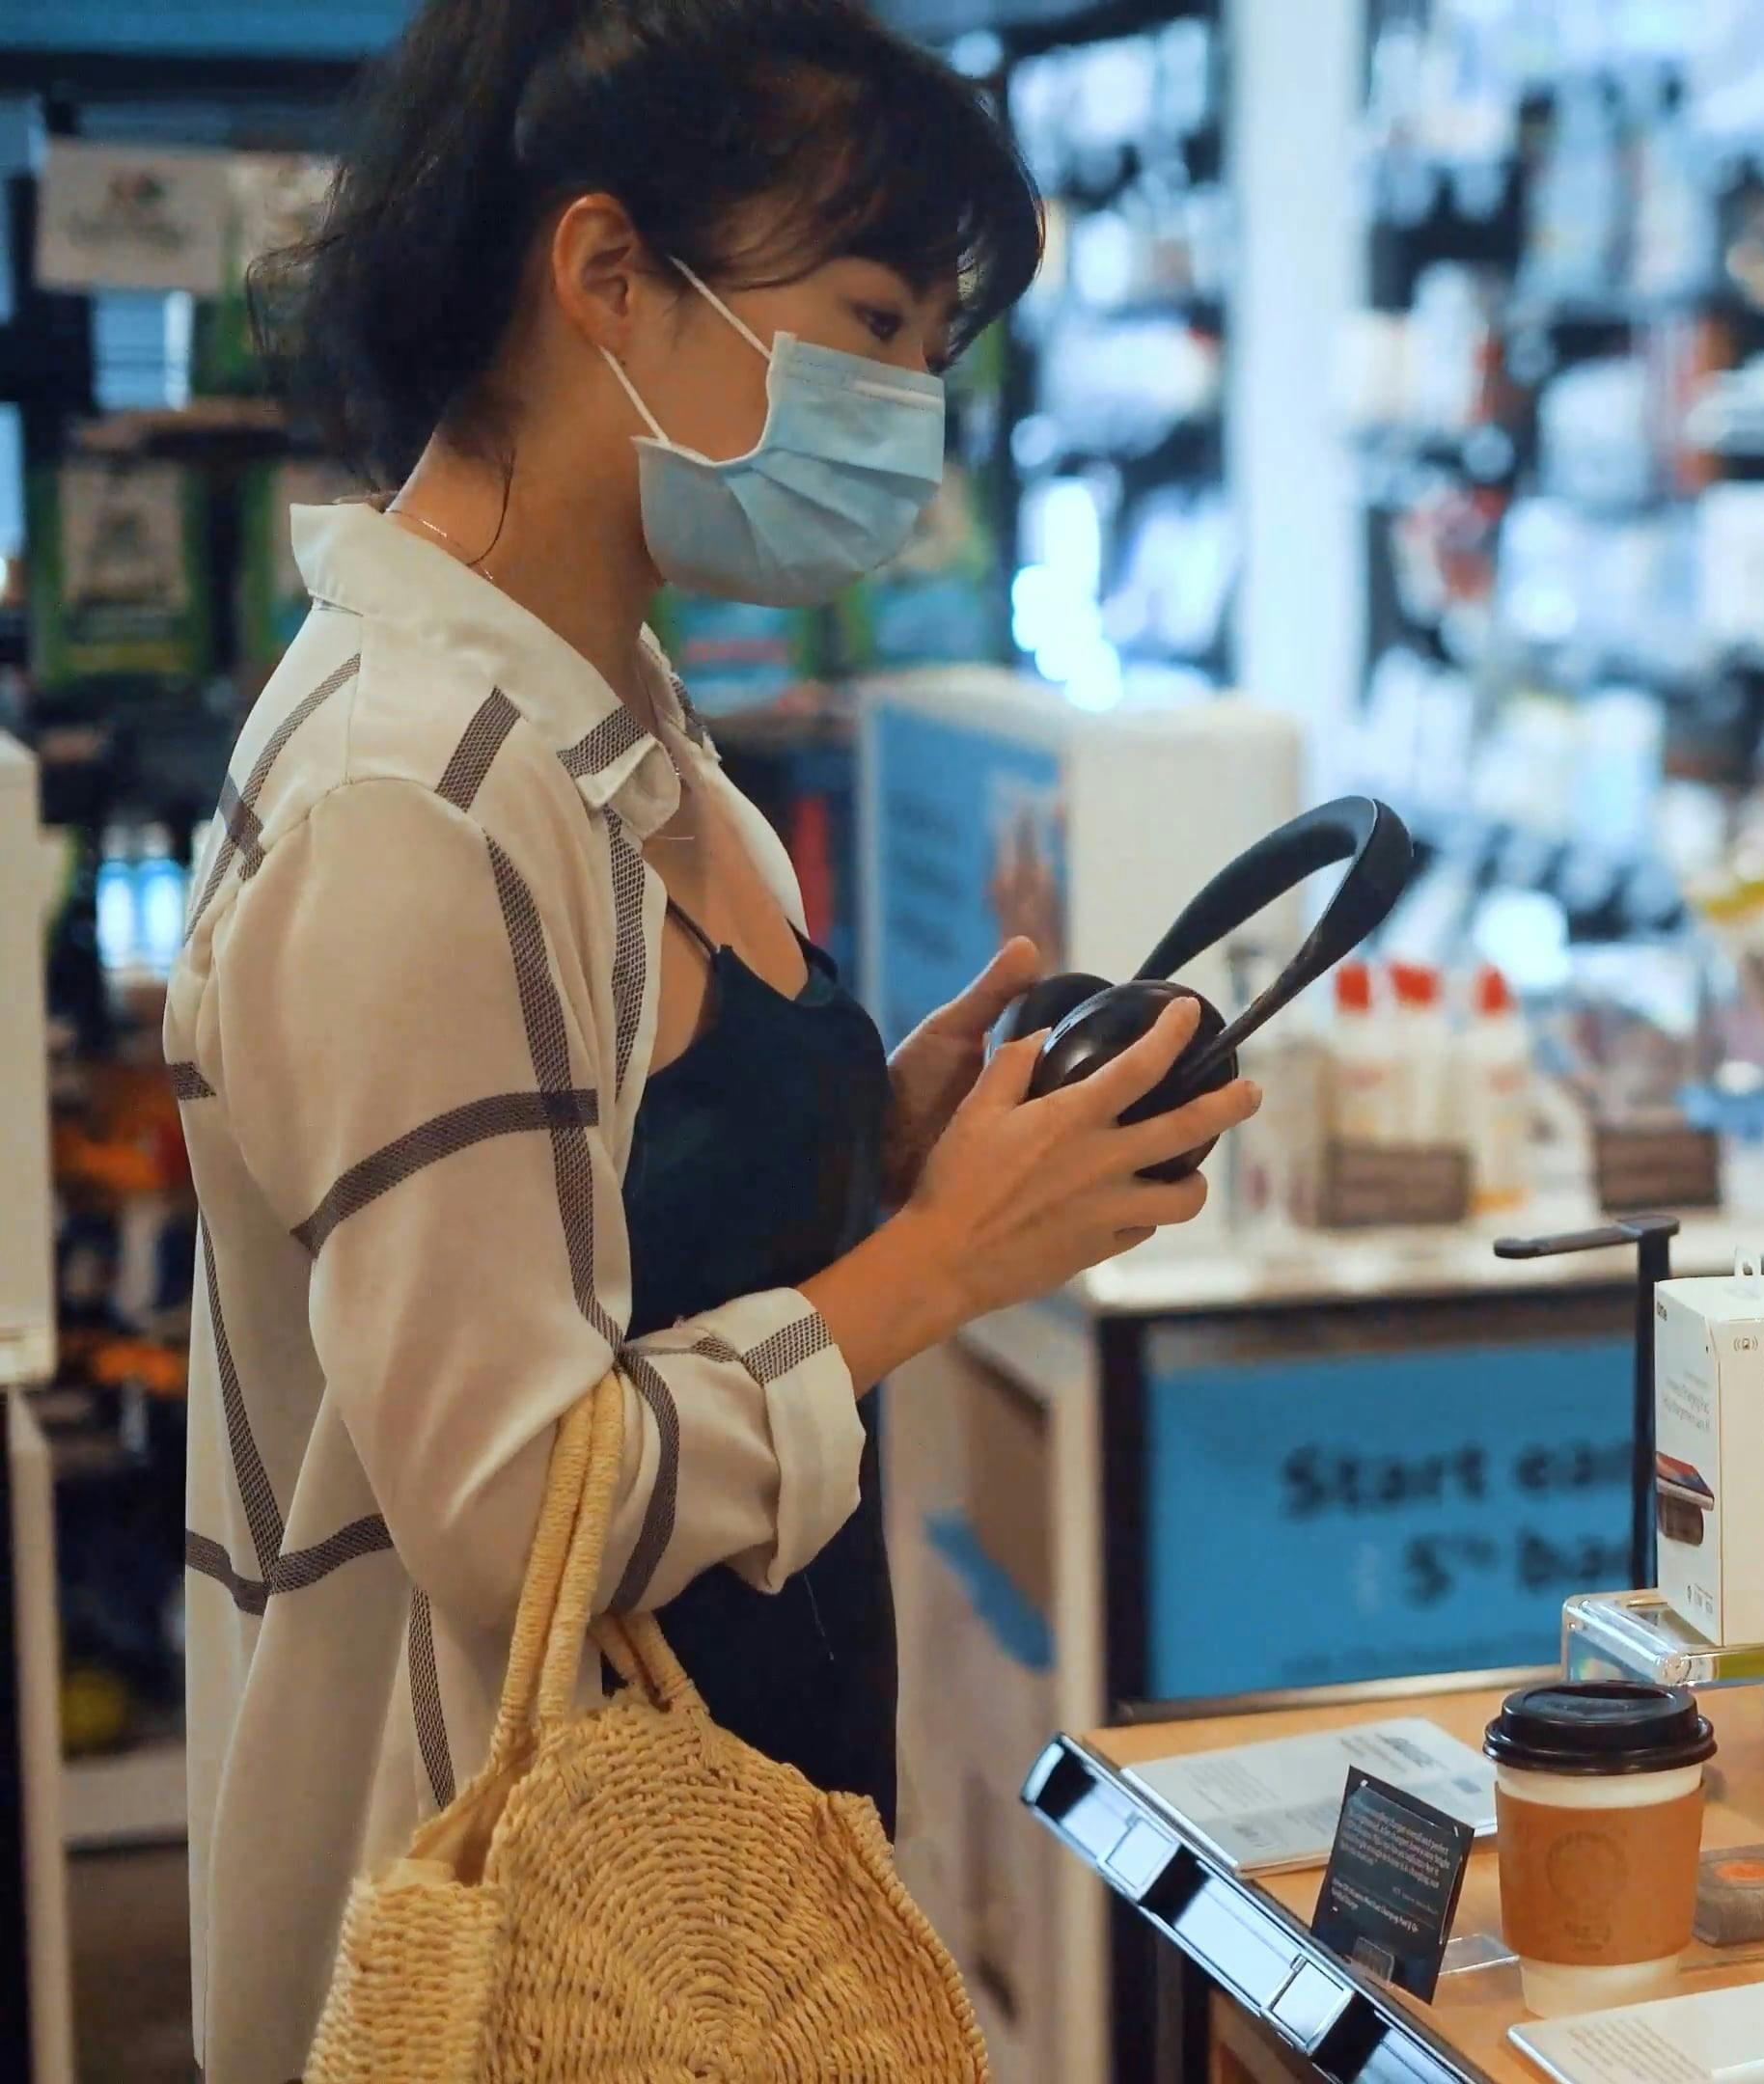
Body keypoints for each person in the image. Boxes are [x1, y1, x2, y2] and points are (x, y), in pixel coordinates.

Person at [160, 3, 1251, 2073]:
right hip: (525, 1949)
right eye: (868, 319)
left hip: (721, 1885)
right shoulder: (417, 800)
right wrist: (937, 1269)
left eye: (937, 351)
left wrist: (874, 1144)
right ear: (604, 276)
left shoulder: (617, 719)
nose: (910, 410)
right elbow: (514, 1499)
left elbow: (619, 1210)